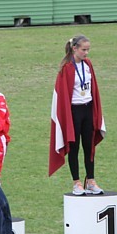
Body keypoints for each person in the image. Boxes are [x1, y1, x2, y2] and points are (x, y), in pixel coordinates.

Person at [48, 34, 106, 195]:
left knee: (89, 146)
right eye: (83, 50)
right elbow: (62, 94)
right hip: (73, 111)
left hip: (88, 109)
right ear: (75, 49)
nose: (86, 53)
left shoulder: (88, 64)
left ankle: (91, 180)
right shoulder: (67, 67)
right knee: (73, 146)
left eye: (88, 50)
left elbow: (93, 88)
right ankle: (76, 182)